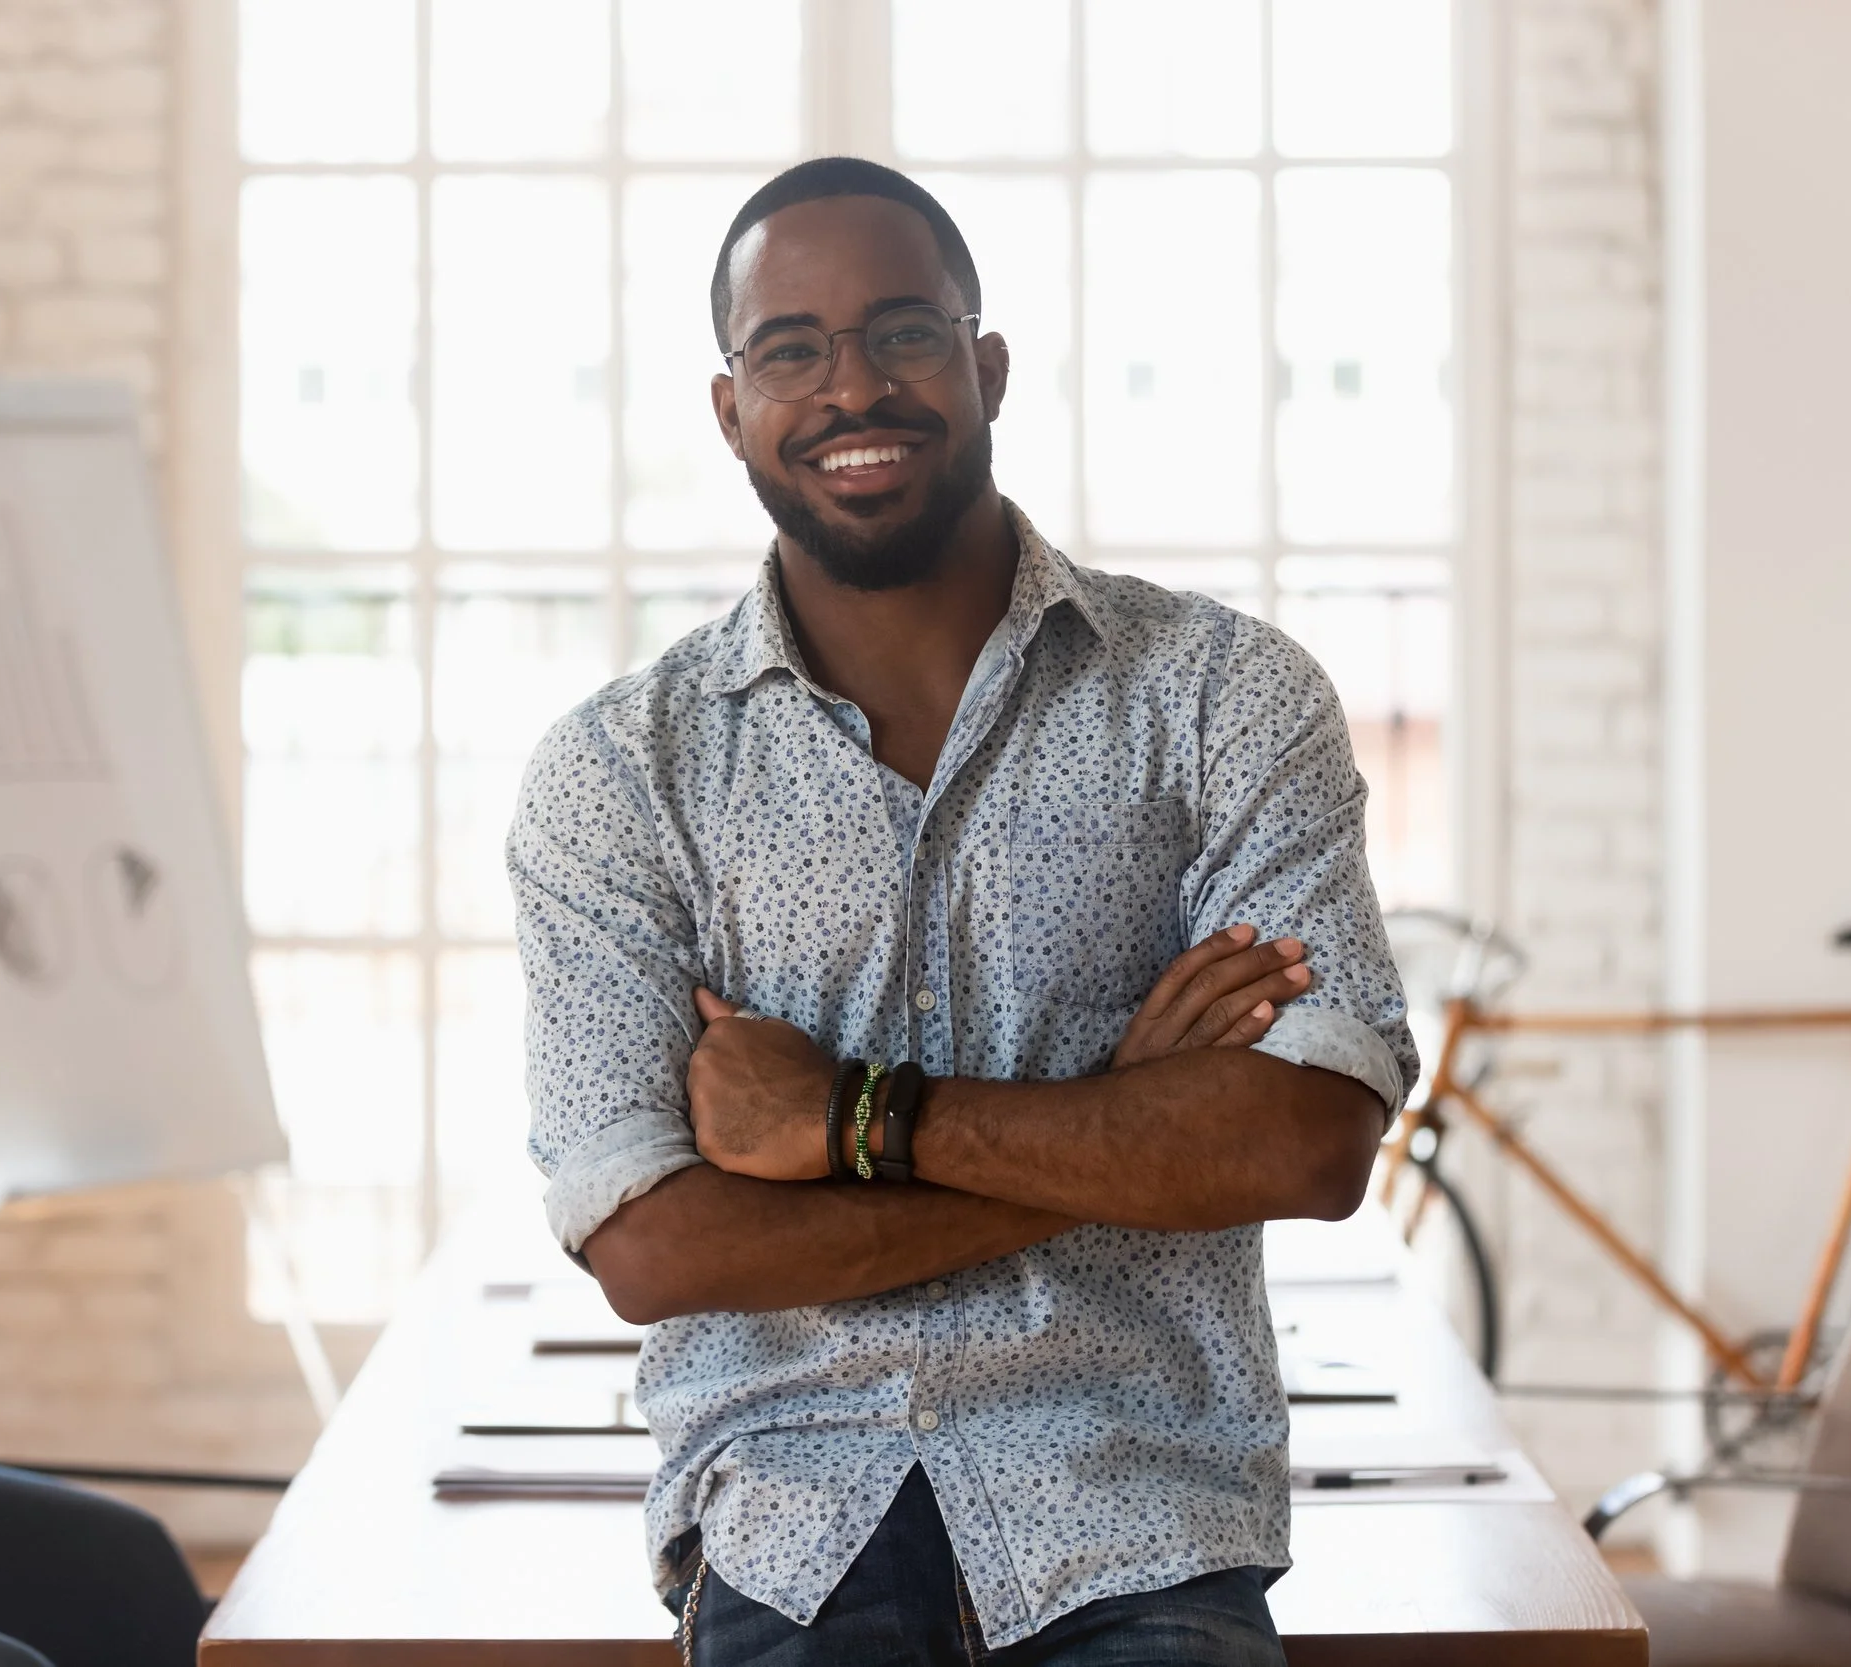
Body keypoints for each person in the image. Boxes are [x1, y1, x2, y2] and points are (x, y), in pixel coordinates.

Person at [510, 157, 1416, 1666]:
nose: (852, 385)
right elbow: (653, 1245)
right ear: (730, 406)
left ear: (985, 364)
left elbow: (1306, 1140)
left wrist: (856, 1119)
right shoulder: (621, 773)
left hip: (1140, 1522)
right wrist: (1131, 1122)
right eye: (789, 348)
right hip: (794, 1521)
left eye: (904, 332)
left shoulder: (1220, 699)